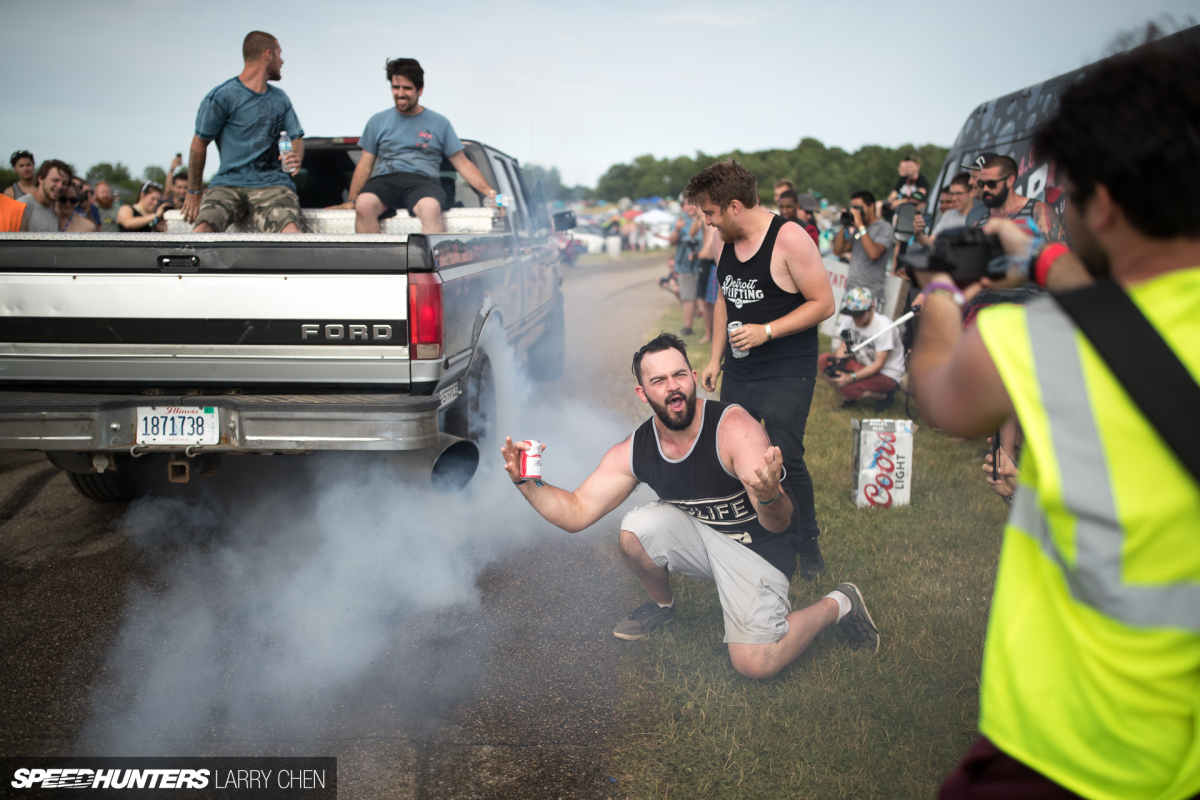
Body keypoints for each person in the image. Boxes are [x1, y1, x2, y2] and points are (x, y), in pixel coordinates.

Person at [908, 33, 1200, 799]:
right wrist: (1039, 259)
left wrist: (941, 290)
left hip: (1073, 754)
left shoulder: (1045, 342)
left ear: (1101, 202)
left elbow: (941, 394)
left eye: (1064, 194)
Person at [501, 334, 880, 677]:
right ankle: (660, 608)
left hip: (760, 548)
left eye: (679, 375)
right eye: (659, 381)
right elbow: (577, 512)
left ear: (694, 376)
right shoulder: (637, 449)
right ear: (642, 393)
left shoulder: (734, 429)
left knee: (754, 662)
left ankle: (840, 602)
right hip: (705, 538)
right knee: (635, 532)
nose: (673, 388)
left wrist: (767, 495)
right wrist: (527, 483)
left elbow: (780, 523)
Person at [690, 160, 836, 581]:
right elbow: (724, 300)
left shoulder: (790, 239)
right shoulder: (724, 242)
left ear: (734, 206)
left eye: (711, 213)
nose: (708, 222)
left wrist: (766, 331)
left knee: (784, 456)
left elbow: (824, 304)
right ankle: (755, 536)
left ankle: (807, 541)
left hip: (789, 370)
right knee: (736, 453)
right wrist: (715, 357)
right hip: (740, 369)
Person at [331, 57, 498, 234]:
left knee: (430, 208)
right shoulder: (377, 121)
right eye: (396, 87)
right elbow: (364, 165)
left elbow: (463, 164)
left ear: (420, 90)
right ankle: (375, 262)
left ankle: (428, 262)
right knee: (364, 204)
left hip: (423, 181)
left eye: (407, 88)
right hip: (386, 179)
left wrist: (489, 192)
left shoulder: (440, 123)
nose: (400, 93)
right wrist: (352, 200)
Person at [183, 31, 305, 234]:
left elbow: (297, 138)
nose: (282, 61)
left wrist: (296, 155)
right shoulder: (223, 96)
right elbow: (199, 144)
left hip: (273, 186)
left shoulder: (280, 98)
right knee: (202, 229)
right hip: (228, 184)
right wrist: (194, 192)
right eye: (279, 54)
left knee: (291, 233)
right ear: (268, 54)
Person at [818, 288, 905, 409]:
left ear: (871, 308)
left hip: (886, 374)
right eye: (852, 314)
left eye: (859, 314)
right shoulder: (850, 320)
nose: (855, 318)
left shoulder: (884, 327)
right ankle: (849, 396)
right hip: (863, 365)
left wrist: (851, 378)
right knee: (824, 361)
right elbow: (843, 346)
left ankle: (884, 397)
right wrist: (839, 365)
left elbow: (878, 365)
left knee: (847, 384)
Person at [971, 153, 1064, 242]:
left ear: (1010, 181)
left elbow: (1060, 255)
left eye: (991, 183)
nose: (985, 189)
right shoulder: (981, 223)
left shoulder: (1039, 212)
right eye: (981, 184)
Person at [831, 190, 894, 306]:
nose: (856, 212)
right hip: (852, 292)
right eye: (853, 208)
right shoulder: (859, 229)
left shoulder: (884, 228)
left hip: (871, 295)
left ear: (871, 206)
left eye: (858, 208)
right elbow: (838, 251)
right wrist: (844, 224)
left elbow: (874, 254)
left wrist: (860, 225)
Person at [669, 201, 703, 335]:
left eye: (694, 203)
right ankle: (688, 327)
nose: (690, 206)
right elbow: (671, 241)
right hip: (685, 265)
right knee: (688, 296)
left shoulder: (705, 217)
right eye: (687, 203)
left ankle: (711, 329)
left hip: (704, 262)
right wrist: (677, 229)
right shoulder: (679, 220)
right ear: (683, 206)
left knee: (707, 299)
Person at [914, 173, 972, 247]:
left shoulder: (979, 216)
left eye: (959, 194)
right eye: (952, 194)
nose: (954, 198)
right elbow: (930, 243)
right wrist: (918, 233)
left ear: (971, 192)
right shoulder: (948, 215)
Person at [16, 159, 72, 233]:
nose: (60, 186)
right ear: (41, 178)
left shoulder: (52, 212)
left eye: (64, 183)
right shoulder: (23, 205)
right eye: (55, 180)